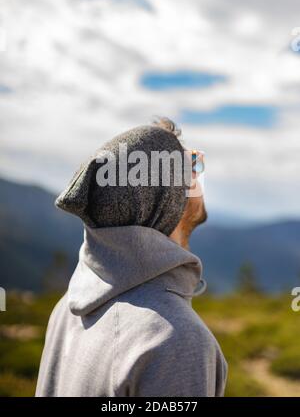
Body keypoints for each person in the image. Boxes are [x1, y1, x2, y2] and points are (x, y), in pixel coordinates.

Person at [36, 117, 227, 397]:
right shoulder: (174, 340)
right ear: (168, 196)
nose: (199, 174)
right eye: (191, 164)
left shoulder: (67, 309)